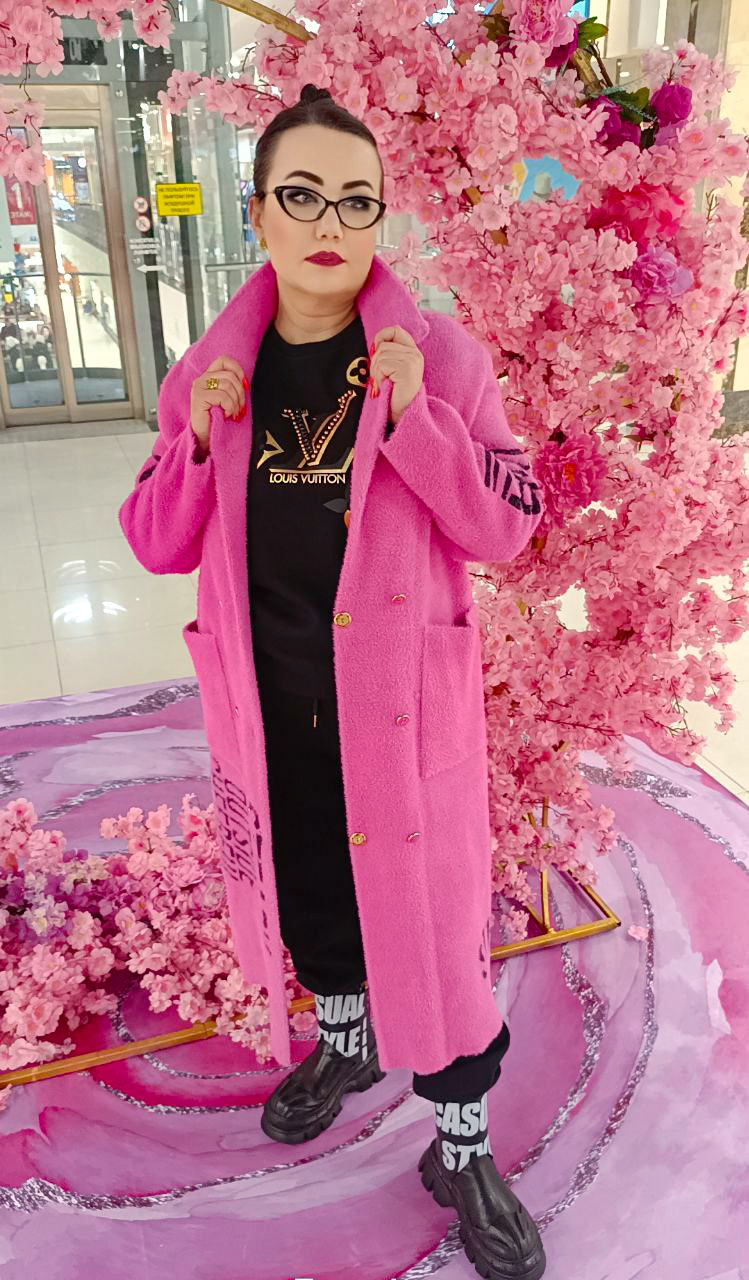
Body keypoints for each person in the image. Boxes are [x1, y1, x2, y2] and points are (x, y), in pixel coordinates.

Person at [120, 82, 546, 1280]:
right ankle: (345, 1040)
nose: (329, 222)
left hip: (396, 713)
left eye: (357, 201)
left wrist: (417, 418)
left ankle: (461, 1149)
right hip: (269, 701)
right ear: (255, 211)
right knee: (311, 893)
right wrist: (193, 441)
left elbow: (511, 523)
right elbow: (154, 538)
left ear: (378, 217)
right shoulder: (213, 369)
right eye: (301, 194)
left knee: (432, 933)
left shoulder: (437, 358)